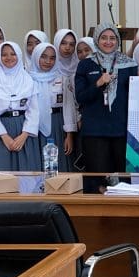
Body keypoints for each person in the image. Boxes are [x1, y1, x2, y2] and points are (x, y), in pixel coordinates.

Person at [76, 24, 139, 191]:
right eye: (104, 38)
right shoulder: (86, 65)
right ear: (97, 39)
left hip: (121, 130)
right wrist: (98, 83)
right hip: (95, 132)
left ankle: (125, 215)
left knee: (123, 181)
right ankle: (97, 216)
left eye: (112, 38)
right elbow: (80, 97)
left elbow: (136, 96)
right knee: (97, 182)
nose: (108, 42)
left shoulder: (130, 64)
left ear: (118, 41)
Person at [0, 41, 40, 171]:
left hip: (23, 129)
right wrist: (4, 136)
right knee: (2, 172)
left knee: (26, 171)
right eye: (4, 54)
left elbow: (34, 110)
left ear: (19, 55)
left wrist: (24, 134)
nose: (9, 58)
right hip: (0, 131)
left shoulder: (27, 79)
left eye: (13, 54)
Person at [29, 42, 78, 172]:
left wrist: (69, 135)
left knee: (58, 163)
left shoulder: (62, 78)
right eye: (43, 57)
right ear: (36, 57)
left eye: (52, 58)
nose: (48, 61)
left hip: (57, 124)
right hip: (35, 127)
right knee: (38, 162)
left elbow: (68, 107)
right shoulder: (27, 80)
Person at [54, 28, 82, 171]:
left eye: (72, 44)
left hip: (74, 122)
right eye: (63, 43)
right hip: (54, 120)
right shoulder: (49, 67)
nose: (67, 48)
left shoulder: (79, 68)